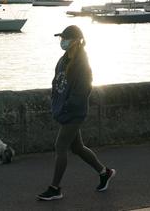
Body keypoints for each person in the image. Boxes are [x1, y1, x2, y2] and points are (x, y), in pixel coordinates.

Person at [36, 25, 115, 201]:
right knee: (77, 148)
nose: (61, 41)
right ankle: (105, 172)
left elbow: (82, 92)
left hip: (74, 113)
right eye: (61, 38)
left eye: (64, 38)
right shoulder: (63, 60)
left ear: (75, 41)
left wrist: (66, 107)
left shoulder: (83, 66)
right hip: (64, 110)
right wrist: (56, 103)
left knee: (60, 147)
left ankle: (55, 188)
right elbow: (56, 83)